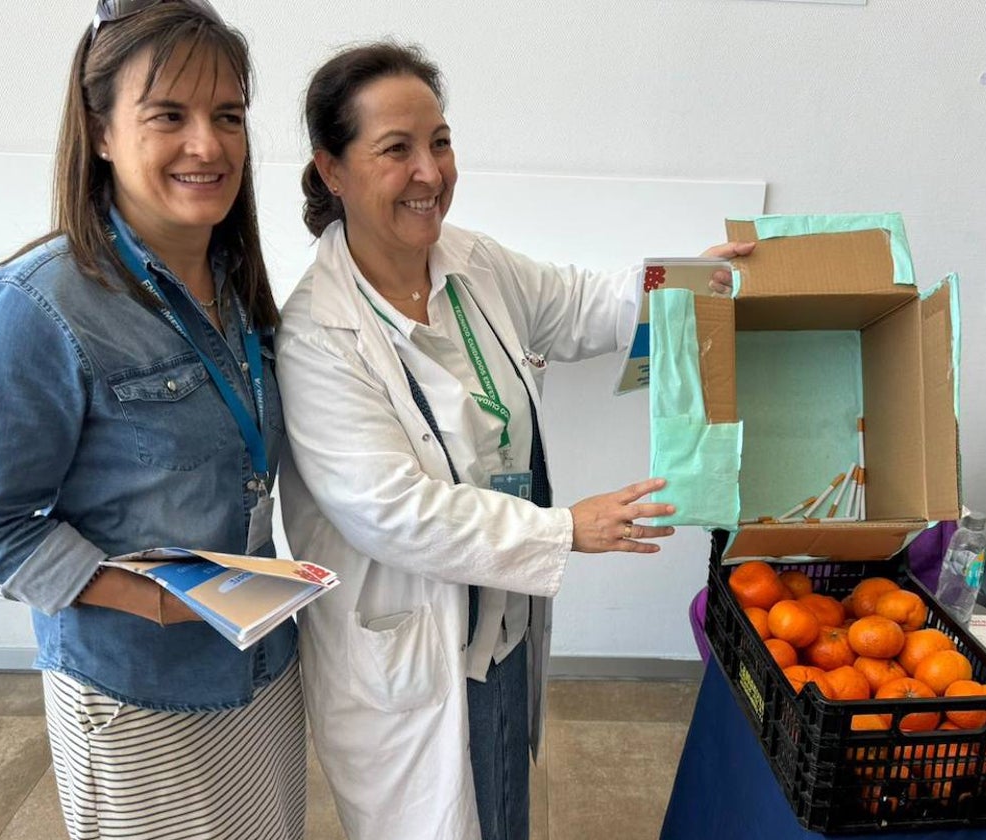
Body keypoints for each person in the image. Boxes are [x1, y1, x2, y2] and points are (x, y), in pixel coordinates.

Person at [276, 42, 754, 840]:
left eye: (441, 141)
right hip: (412, 644)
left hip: (497, 623)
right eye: (396, 149)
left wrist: (678, 282)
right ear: (332, 170)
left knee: (499, 809)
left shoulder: (473, 263)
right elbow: (390, 512)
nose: (431, 172)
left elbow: (577, 306)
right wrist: (567, 529)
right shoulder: (319, 333)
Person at [0, 2, 305, 838]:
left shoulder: (237, 283)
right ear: (102, 131)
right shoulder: (39, 306)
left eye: (228, 117)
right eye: (168, 115)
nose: (207, 145)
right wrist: (136, 595)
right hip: (134, 689)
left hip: (261, 664)